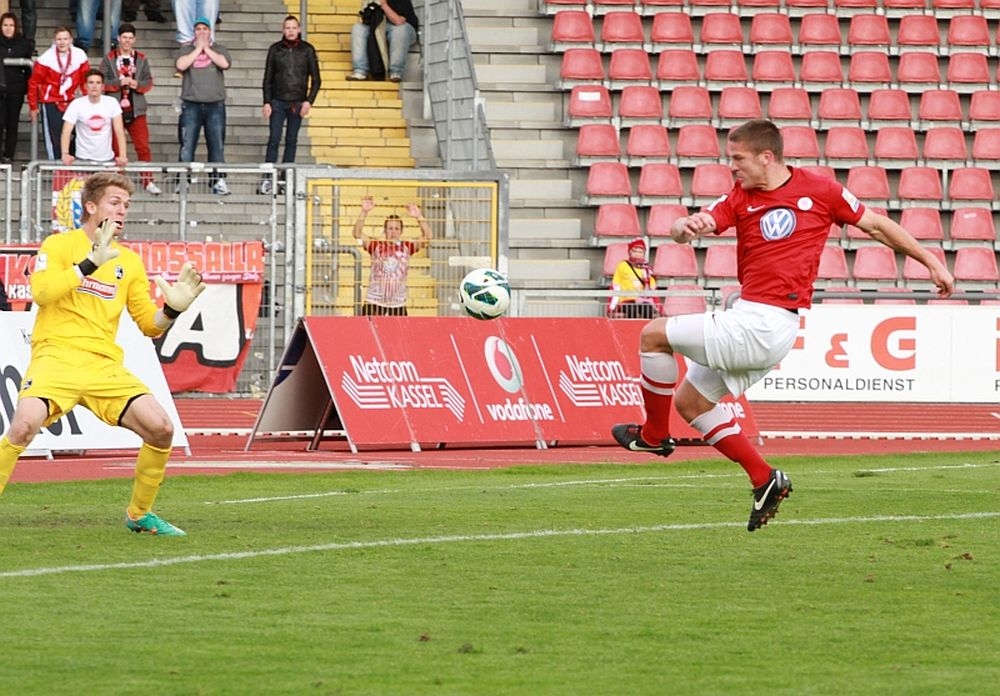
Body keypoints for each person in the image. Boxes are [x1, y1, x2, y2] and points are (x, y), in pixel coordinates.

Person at [611, 119, 955, 532]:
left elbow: (877, 225)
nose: (732, 167)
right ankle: (764, 478)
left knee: (653, 335)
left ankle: (652, 435)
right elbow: (691, 226)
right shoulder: (741, 196)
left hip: (764, 323)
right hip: (761, 323)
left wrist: (932, 262)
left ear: (766, 157)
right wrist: (685, 227)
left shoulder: (821, 190)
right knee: (691, 403)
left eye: (738, 159)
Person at [0, 171, 206, 535]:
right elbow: (43, 293)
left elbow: (148, 324)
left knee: (161, 429)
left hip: (103, 366)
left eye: (126, 204)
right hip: (57, 357)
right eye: (115, 202)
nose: (123, 210)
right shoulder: (59, 246)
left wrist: (173, 310)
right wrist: (89, 264)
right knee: (22, 426)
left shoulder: (129, 261)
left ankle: (139, 514)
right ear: (91, 206)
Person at [258, 14, 320, 195]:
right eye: (287, 28)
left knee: (291, 141)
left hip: (297, 102)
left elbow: (316, 79)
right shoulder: (275, 49)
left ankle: (285, 180)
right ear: (282, 30)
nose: (291, 31)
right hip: (277, 101)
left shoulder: (307, 50)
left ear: (299, 29)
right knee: (274, 140)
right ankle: (268, 180)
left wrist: (309, 101)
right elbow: (267, 78)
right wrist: (267, 102)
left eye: (294, 28)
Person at [100, 22, 160, 193]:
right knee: (116, 148)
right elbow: (101, 81)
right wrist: (118, 83)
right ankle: (118, 180)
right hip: (115, 109)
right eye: (124, 37)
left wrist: (136, 84)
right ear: (118, 39)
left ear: (134, 40)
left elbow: (148, 82)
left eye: (130, 38)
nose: (126, 41)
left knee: (143, 146)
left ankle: (147, 180)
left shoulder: (141, 58)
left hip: (136, 109)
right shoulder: (109, 58)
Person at [175, 15, 230, 195]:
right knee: (187, 144)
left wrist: (207, 48)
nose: (201, 32)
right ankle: (183, 180)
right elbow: (181, 65)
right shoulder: (186, 49)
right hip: (191, 104)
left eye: (204, 29)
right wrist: (198, 49)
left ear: (210, 31)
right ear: (193, 32)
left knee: (216, 144)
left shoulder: (220, 49)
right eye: (198, 29)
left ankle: (218, 180)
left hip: (215, 104)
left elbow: (225, 63)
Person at [352, 195, 432, 315]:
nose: (393, 232)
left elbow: (428, 237)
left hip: (398, 304)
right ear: (385, 230)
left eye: (396, 228)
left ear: (401, 231)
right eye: (390, 228)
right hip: (374, 302)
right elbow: (357, 234)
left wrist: (419, 217)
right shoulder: (376, 246)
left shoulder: (406, 247)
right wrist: (364, 211)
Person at [27, 26, 89, 160]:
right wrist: (33, 106)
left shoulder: (80, 55)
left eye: (65, 39)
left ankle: (71, 161)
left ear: (71, 40)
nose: (62, 42)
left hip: (72, 102)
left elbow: (85, 80)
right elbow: (34, 83)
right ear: (54, 41)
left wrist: (88, 100)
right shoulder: (45, 58)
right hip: (51, 103)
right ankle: (55, 169)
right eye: (59, 39)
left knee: (81, 132)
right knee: (54, 138)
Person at [60, 68, 127, 166]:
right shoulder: (76, 104)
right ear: (85, 86)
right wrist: (65, 153)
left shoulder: (112, 102)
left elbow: (119, 130)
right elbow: (66, 131)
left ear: (103, 86)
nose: (94, 86)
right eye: (91, 82)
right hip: (82, 158)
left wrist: (123, 155)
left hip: (106, 159)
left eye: (98, 83)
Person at [346, 0, 418, 83]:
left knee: (399, 31)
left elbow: (398, 21)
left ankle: (395, 71)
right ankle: (360, 71)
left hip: (402, 28)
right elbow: (367, 21)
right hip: (379, 26)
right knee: (358, 28)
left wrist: (383, 4)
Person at [0, 11, 32, 163]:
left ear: (16, 27)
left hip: (16, 89)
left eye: (11, 25)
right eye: (5, 25)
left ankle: (8, 155)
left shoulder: (23, 43)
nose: (8, 28)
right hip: (0, 89)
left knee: (12, 122)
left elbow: (28, 68)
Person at [608, 237, 659, 320]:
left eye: (640, 252)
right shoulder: (623, 265)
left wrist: (657, 306)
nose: (637, 254)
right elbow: (616, 286)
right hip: (626, 300)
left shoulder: (647, 269)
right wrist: (612, 306)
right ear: (630, 252)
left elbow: (652, 288)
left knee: (647, 310)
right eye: (634, 251)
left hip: (643, 301)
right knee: (632, 310)